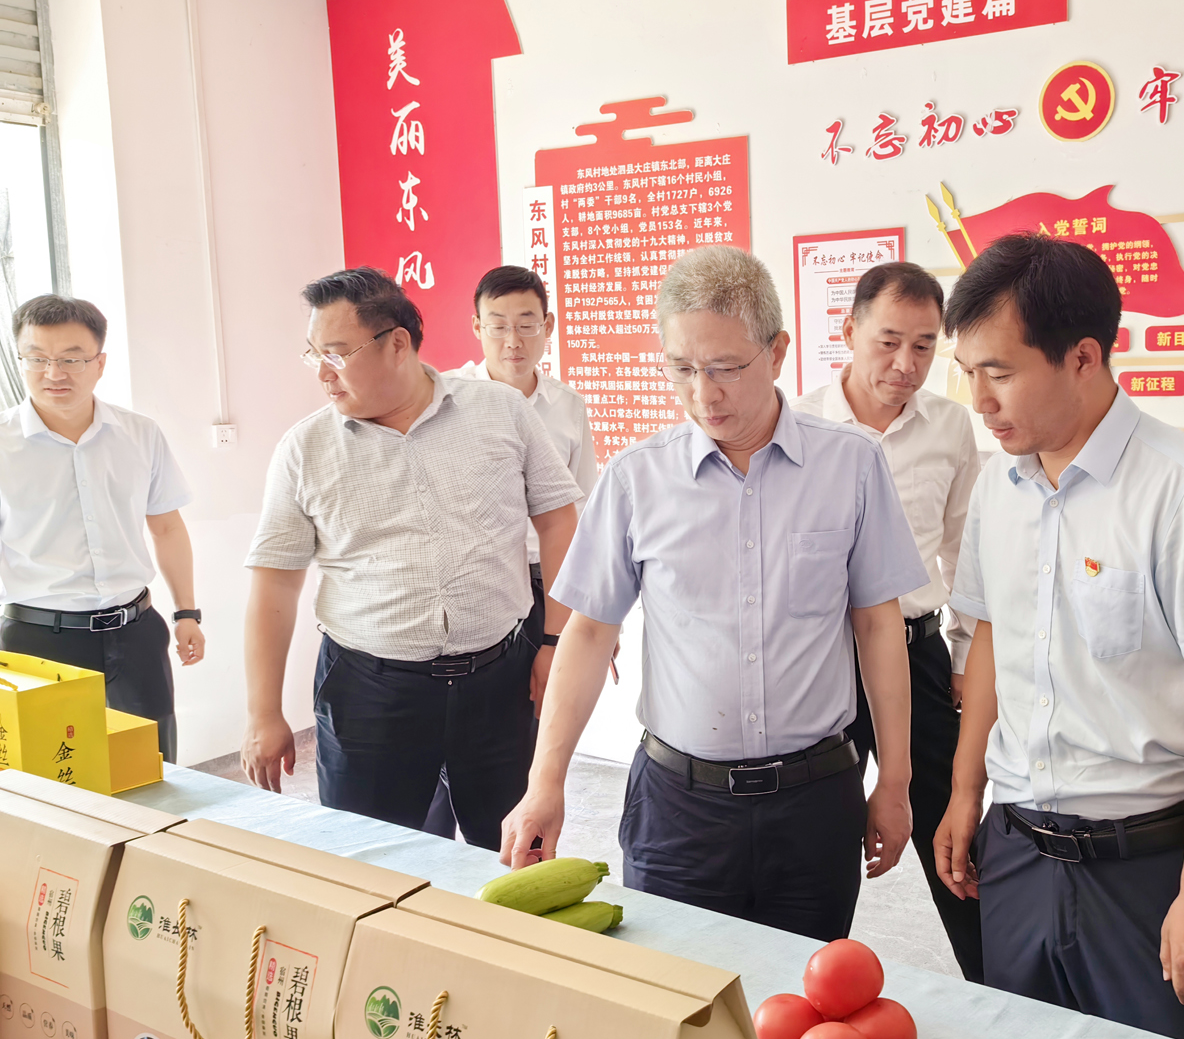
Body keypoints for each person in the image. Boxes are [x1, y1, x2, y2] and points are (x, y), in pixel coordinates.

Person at [499, 245, 929, 942]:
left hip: (814, 804)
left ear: (777, 352)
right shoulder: (637, 479)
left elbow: (879, 629)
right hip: (679, 807)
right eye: (682, 369)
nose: (704, 394)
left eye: (726, 367)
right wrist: (546, 781)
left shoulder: (851, 465)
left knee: (801, 994)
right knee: (678, 989)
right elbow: (590, 632)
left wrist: (896, 783)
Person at [933, 233, 1184, 1039]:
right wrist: (967, 791)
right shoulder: (1000, 488)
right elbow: (991, 642)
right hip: (1018, 853)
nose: (980, 400)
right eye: (968, 372)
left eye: (1000, 372)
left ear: (1083, 357)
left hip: (1146, 868)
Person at [239, 267, 581, 851]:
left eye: (337, 354)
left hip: (499, 684)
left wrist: (554, 642)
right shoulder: (305, 448)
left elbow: (558, 521)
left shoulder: (500, 411)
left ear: (397, 343)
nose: (323, 373)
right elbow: (275, 584)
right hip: (370, 693)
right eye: (314, 355)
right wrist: (263, 711)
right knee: (372, 861)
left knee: (515, 854)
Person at [793, 261, 984, 980]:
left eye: (925, 346)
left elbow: (965, 551)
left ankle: (997, 990)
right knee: (817, 838)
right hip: (822, 660)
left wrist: (965, 656)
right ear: (849, 332)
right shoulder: (797, 424)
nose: (907, 364)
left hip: (917, 653)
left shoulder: (951, 426)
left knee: (953, 833)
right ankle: (808, 987)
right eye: (889, 342)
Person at [420, 266, 601, 838]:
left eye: (527, 324)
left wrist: (587, 623)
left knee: (523, 727)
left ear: (549, 326)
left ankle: (503, 841)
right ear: (476, 328)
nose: (513, 340)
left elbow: (582, 517)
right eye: (497, 325)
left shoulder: (568, 407)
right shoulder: (443, 398)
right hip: (474, 584)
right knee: (444, 733)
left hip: (547, 582)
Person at [0, 295, 202, 762]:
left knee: (152, 768)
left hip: (136, 633)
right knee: (54, 778)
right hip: (36, 639)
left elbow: (167, 528)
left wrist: (187, 613)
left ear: (100, 363)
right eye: (37, 358)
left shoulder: (140, 434)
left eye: (71, 359)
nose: (53, 373)